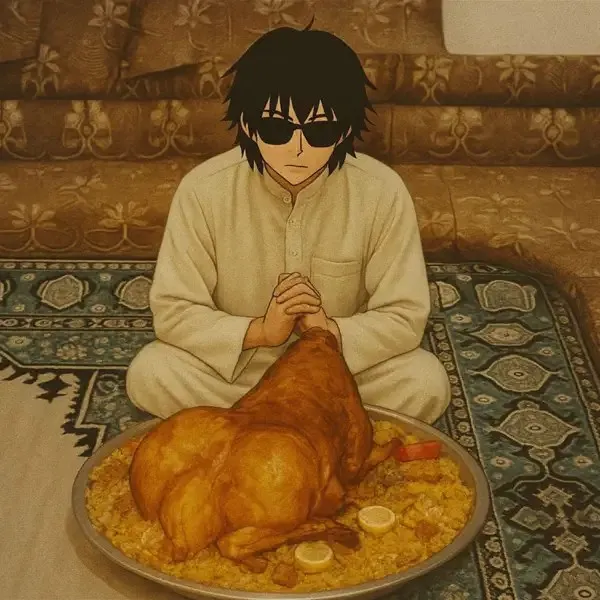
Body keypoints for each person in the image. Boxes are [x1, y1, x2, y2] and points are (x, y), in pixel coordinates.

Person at [126, 22, 451, 423]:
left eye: (319, 130)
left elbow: (404, 315)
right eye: (277, 128)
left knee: (424, 382)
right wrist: (260, 331)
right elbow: (174, 310)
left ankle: (251, 427)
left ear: (344, 131)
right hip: (240, 368)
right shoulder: (203, 190)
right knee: (151, 372)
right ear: (248, 125)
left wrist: (327, 332)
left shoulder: (383, 191)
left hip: (340, 368)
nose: (297, 148)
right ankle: (319, 427)